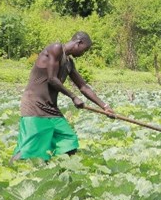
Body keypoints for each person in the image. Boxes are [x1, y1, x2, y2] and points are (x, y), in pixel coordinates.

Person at [13, 31, 110, 161]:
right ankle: (13, 166)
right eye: (85, 49)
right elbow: (52, 79)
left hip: (51, 108)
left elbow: (83, 87)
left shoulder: (69, 63)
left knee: (69, 140)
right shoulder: (56, 48)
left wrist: (104, 106)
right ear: (78, 43)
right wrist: (73, 97)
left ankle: (62, 170)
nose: (84, 53)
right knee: (30, 147)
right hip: (35, 105)